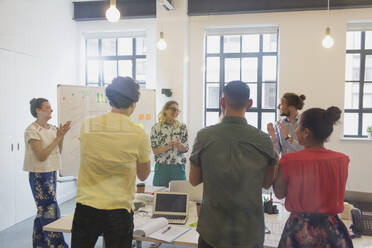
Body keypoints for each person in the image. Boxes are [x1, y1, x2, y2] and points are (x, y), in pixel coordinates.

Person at [189, 81, 277, 248]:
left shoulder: (204, 136)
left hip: (213, 230)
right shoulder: (263, 140)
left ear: (222, 102)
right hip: (249, 231)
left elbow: (193, 180)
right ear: (250, 104)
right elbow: (266, 183)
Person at [71, 77, 151, 248]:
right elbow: (143, 175)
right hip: (119, 210)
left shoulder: (87, 125)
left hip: (87, 205)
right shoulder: (139, 134)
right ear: (134, 102)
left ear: (110, 99)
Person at [273, 106, 353, 248]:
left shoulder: (288, 161)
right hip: (333, 230)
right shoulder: (342, 160)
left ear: (306, 133)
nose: (296, 131)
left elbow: (279, 194)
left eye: (298, 127)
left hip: (299, 229)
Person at [24, 98, 71, 248]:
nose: (51, 110)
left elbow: (59, 151)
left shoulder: (52, 128)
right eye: (47, 108)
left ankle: (40, 244)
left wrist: (61, 135)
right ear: (38, 110)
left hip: (51, 172)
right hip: (39, 174)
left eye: (50, 108)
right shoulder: (31, 130)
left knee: (43, 210)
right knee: (50, 210)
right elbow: (42, 156)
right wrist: (58, 137)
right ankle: (59, 245)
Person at [150, 100, 189, 187]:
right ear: (165, 110)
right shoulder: (156, 128)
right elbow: (155, 151)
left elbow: (186, 148)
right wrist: (167, 147)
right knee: (160, 195)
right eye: (173, 109)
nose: (175, 112)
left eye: (177, 110)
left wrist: (179, 146)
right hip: (162, 168)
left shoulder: (182, 127)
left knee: (180, 196)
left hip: (178, 167)